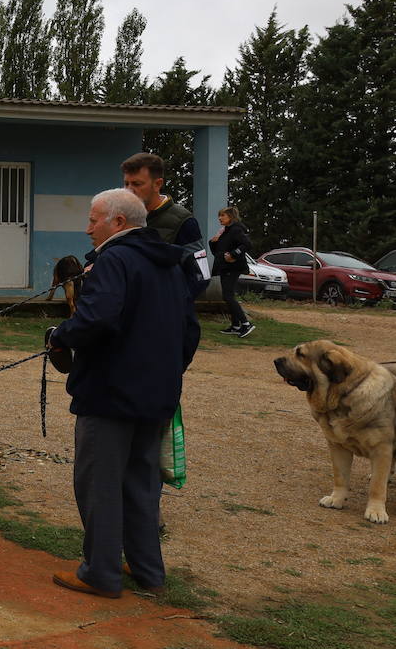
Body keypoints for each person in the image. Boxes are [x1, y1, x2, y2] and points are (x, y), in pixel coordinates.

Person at [46, 188, 200, 599]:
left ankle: (100, 573)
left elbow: (97, 316)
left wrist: (61, 336)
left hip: (109, 395)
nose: (88, 228)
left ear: (117, 223)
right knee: (141, 486)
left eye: (93, 220)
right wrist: (166, 374)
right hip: (156, 396)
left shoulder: (114, 259)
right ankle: (149, 571)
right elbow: (190, 331)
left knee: (99, 484)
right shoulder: (170, 263)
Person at [120, 152, 202, 248]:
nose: (129, 190)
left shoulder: (183, 221)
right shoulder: (121, 216)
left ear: (158, 184)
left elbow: (196, 262)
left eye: (137, 184)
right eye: (126, 184)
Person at [210, 206, 254, 337]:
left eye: (223, 215)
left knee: (228, 296)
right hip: (224, 267)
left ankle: (246, 324)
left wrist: (234, 254)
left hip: (234, 267)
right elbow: (216, 252)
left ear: (231, 217)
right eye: (219, 215)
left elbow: (247, 244)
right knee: (228, 296)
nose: (219, 218)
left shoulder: (236, 230)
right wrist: (213, 242)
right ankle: (235, 326)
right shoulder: (225, 231)